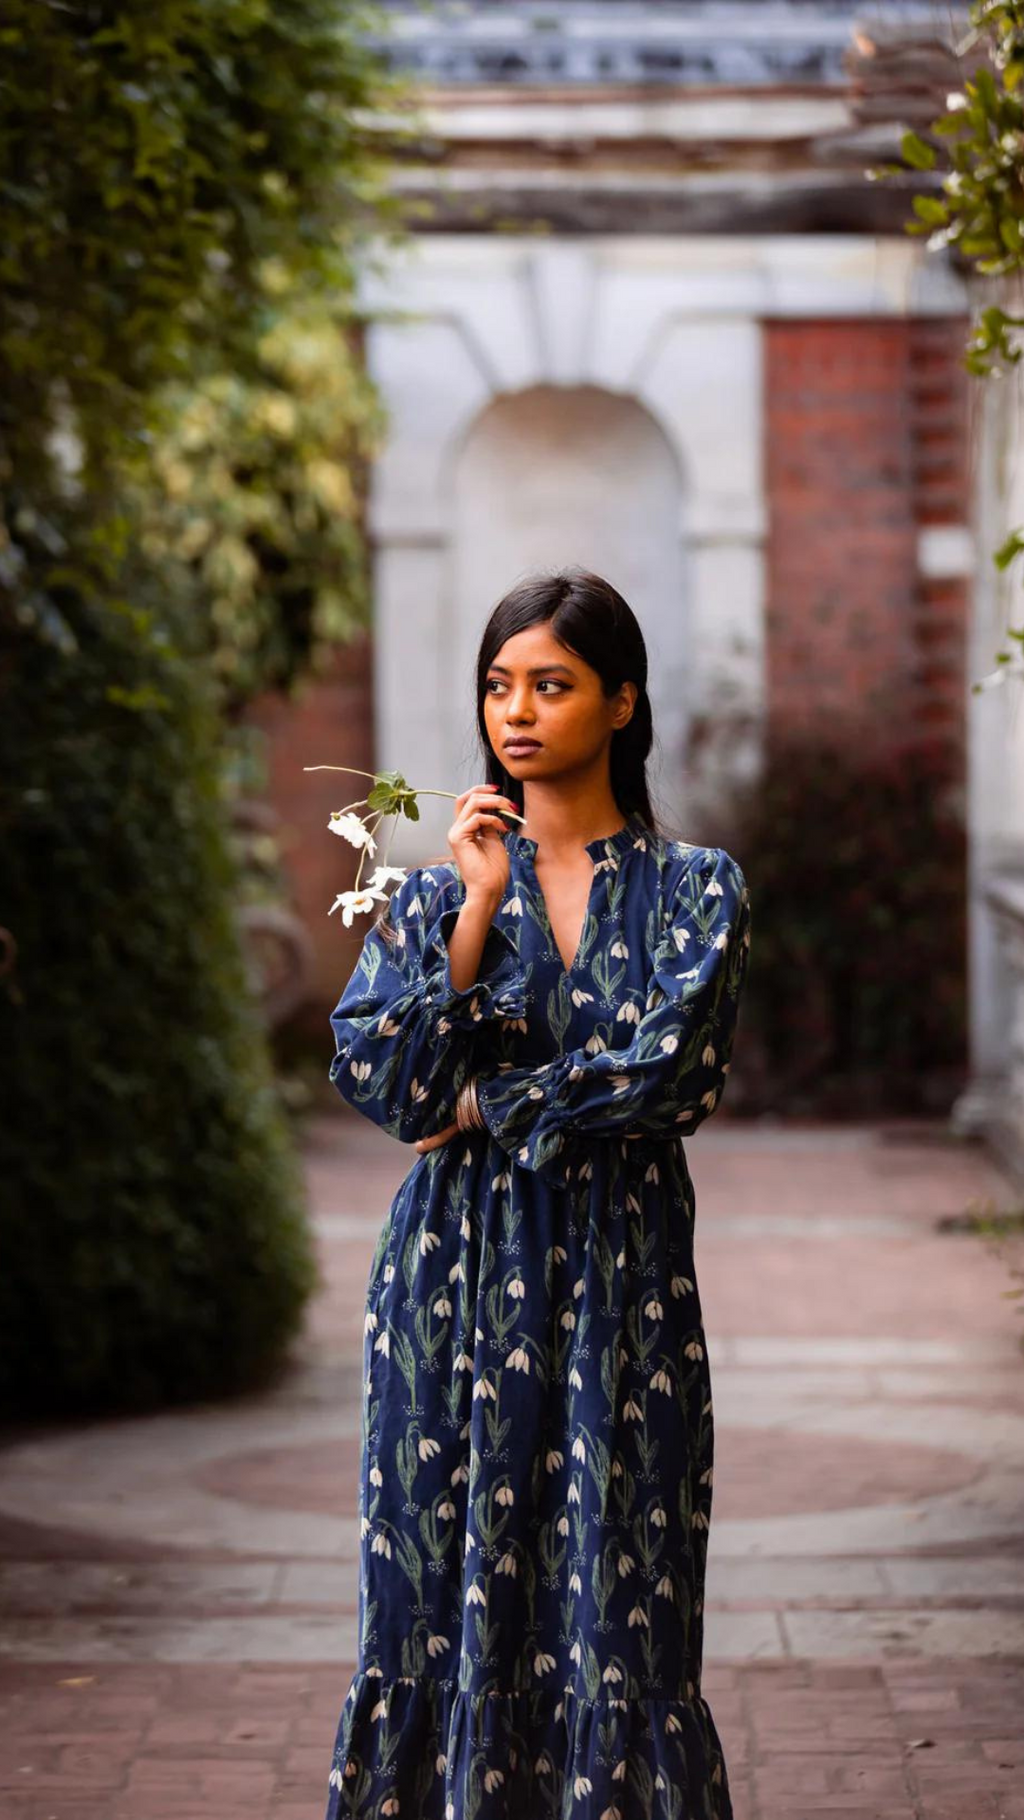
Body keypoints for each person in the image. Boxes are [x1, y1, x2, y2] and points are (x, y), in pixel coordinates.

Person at [322, 568, 752, 1820]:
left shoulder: (696, 889)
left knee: (621, 1604)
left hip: (622, 1296)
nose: (516, 711)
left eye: (550, 683)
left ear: (620, 700)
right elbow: (385, 1074)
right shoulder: (433, 889)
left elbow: (667, 1070)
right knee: (434, 1605)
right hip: (447, 1294)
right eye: (499, 685)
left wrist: (485, 1104)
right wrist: (474, 910)